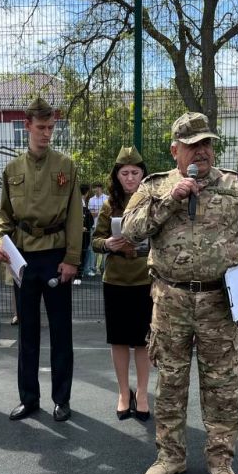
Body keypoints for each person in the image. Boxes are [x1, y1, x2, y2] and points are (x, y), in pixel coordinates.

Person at [122, 112, 238, 474]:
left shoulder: (233, 187)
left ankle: (221, 460)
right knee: (170, 382)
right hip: (170, 300)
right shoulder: (155, 187)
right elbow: (131, 230)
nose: (201, 152)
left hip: (220, 302)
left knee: (221, 385)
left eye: (206, 144)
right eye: (192, 145)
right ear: (175, 150)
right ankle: (170, 456)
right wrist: (171, 199)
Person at [0, 97, 82, 422]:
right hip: (22, 259)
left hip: (56, 256)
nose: (46, 133)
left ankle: (62, 398)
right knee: (27, 333)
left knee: (61, 332)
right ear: (27, 125)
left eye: (50, 127)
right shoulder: (11, 169)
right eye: (41, 127)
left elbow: (75, 216)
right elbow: (3, 215)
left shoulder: (66, 166)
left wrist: (72, 258)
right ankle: (29, 398)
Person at [92, 147, 154, 422]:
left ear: (143, 174)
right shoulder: (109, 205)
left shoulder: (153, 200)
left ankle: (141, 393)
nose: (130, 178)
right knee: (118, 340)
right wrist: (108, 244)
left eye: (135, 173)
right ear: (116, 176)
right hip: (116, 280)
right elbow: (95, 240)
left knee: (143, 341)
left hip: (145, 279)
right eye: (124, 173)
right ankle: (122, 393)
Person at [79, 183, 97, 277]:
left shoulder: (82, 202)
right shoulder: (80, 203)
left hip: (84, 230)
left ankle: (83, 270)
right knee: (84, 250)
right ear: (87, 192)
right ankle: (81, 271)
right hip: (83, 232)